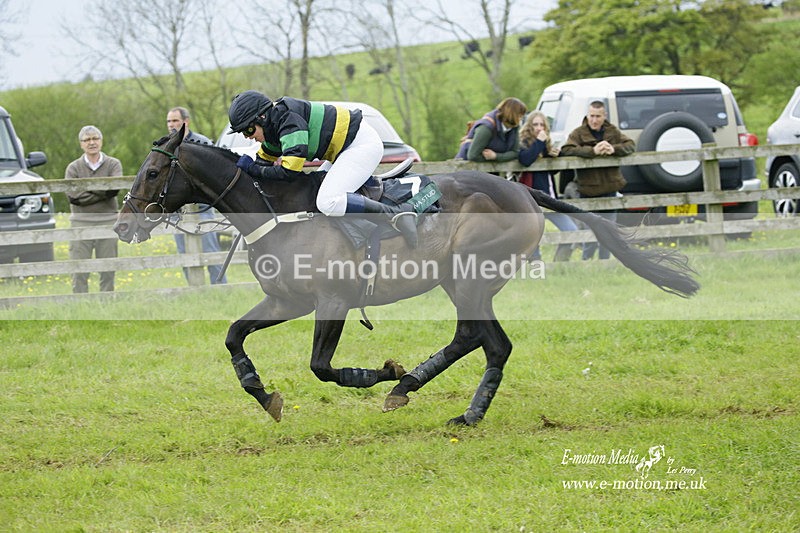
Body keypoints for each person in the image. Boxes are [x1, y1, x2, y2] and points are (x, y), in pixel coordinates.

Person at [227, 90, 419, 247]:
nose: (247, 137)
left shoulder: (289, 122)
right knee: (316, 194)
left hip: (360, 145)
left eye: (248, 130)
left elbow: (289, 172)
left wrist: (253, 169)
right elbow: (262, 163)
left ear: (262, 117)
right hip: (343, 149)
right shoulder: (273, 129)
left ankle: (397, 215)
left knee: (328, 202)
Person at [560, 100, 635, 260]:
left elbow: (630, 145)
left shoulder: (613, 132)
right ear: (587, 115)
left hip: (610, 188)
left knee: (609, 232)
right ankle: (586, 262)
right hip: (588, 190)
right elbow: (566, 150)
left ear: (604, 116)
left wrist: (614, 149)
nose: (594, 120)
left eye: (598, 116)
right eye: (591, 116)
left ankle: (604, 263)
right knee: (591, 233)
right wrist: (592, 151)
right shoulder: (578, 133)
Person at [166, 106, 227, 284]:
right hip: (177, 212)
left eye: (175, 121)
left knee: (211, 251)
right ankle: (194, 288)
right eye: (169, 121)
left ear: (186, 121)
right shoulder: (166, 146)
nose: (172, 125)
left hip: (202, 208)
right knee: (184, 253)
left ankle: (220, 286)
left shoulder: (202, 143)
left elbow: (216, 173)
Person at [65, 125, 122, 293]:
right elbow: (74, 198)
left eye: (95, 138)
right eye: (87, 140)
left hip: (108, 221)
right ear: (81, 144)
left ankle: (106, 300)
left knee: (108, 266)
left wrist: (87, 189)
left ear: (101, 141)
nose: (92, 142)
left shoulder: (113, 164)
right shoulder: (73, 168)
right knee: (79, 267)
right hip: (81, 223)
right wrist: (103, 191)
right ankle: (80, 301)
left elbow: (114, 189)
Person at [518, 111, 578, 262]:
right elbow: (525, 160)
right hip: (530, 200)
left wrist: (555, 157)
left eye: (542, 124)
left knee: (571, 231)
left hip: (549, 198)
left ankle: (559, 264)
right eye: (535, 124)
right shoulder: (523, 143)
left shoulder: (545, 144)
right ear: (529, 127)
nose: (539, 128)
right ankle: (536, 269)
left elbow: (550, 172)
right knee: (532, 238)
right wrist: (539, 142)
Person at [455, 97, 527, 163]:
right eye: (520, 116)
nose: (521, 119)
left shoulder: (514, 127)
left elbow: (515, 152)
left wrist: (495, 156)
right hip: (465, 169)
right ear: (512, 115)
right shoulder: (486, 128)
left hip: (489, 171)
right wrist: (496, 158)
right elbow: (472, 156)